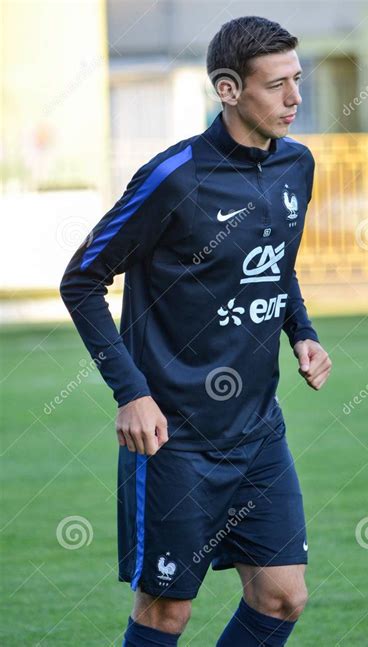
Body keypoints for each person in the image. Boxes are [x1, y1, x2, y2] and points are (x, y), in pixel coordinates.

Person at [60, 14, 332, 647]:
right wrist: (131, 392)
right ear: (229, 89)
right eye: (276, 86)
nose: (295, 99)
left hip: (259, 430)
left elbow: (275, 266)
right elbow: (82, 280)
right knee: (165, 613)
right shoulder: (174, 176)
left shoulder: (298, 165)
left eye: (298, 80)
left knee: (283, 596)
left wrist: (302, 331)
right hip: (173, 438)